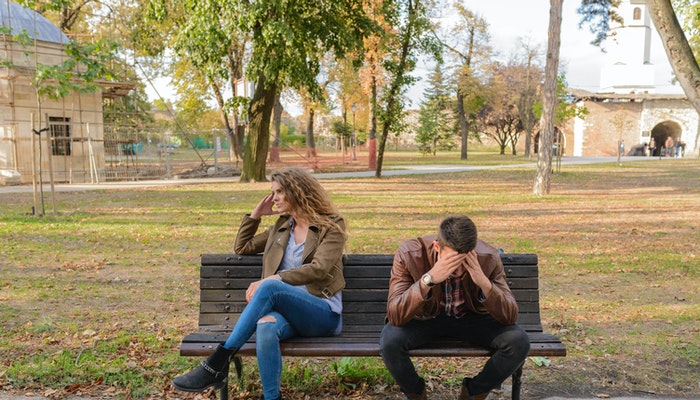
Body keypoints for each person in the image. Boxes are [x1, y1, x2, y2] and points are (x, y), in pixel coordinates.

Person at [172, 167, 347, 400]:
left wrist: (276, 278)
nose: (274, 198)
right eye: (272, 192)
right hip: (289, 314)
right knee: (265, 326)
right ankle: (271, 397)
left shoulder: (331, 225)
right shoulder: (282, 227)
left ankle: (217, 361)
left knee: (270, 286)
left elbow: (319, 269)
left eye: (279, 192)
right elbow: (242, 247)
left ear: (297, 192)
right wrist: (255, 215)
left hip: (322, 312)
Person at [380, 215, 530, 400]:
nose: (458, 270)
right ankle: (416, 394)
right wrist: (428, 279)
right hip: (426, 319)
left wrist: (483, 282)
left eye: (464, 262)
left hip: (471, 318)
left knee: (518, 341)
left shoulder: (488, 257)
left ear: (473, 252)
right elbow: (395, 315)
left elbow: (509, 316)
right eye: (451, 261)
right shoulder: (409, 253)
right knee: (390, 342)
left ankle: (473, 393)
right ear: (437, 247)